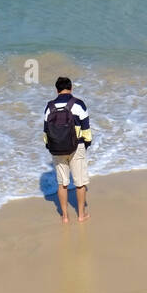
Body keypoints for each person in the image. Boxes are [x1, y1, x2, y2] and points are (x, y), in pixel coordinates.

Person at [42, 76, 92, 223]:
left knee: (62, 183)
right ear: (71, 88)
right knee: (80, 183)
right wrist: (85, 145)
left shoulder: (49, 107)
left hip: (57, 148)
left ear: (56, 90)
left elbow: (46, 133)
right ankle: (81, 215)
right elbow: (86, 130)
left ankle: (64, 216)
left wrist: (52, 146)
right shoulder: (78, 104)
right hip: (77, 146)